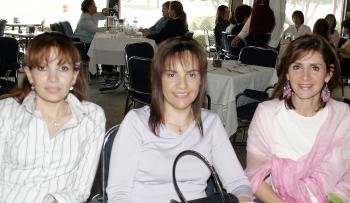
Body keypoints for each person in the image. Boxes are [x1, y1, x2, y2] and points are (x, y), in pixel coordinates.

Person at [106, 36, 253, 203]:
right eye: (171, 74)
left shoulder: (211, 124)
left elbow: (238, 183)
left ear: (201, 80)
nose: (182, 85)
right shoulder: (136, 123)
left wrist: (243, 199)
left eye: (191, 75)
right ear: (159, 79)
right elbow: (118, 194)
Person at [0, 32, 106, 202]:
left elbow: (80, 189)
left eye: (63, 68)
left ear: (74, 75)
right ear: (29, 74)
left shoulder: (92, 117)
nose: (53, 78)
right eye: (43, 68)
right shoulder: (6, 112)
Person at [246, 34, 350, 202]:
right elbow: (254, 176)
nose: (305, 77)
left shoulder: (343, 116)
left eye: (315, 68)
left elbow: (347, 178)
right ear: (287, 72)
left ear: (328, 74)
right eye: (297, 67)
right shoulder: (267, 113)